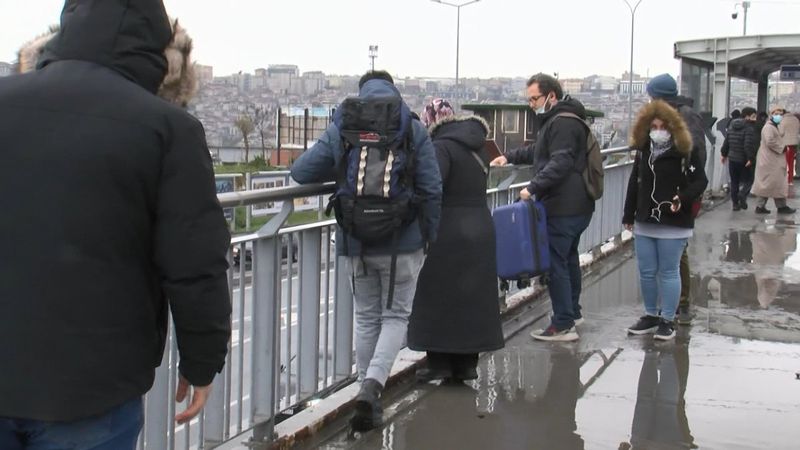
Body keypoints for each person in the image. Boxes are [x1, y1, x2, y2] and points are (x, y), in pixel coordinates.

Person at [0, 1, 232, 449]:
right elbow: (194, 261)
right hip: (92, 386)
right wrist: (202, 360)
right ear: (158, 47)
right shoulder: (168, 128)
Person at [290, 70, 442, 431]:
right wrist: (428, 237)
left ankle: (364, 391)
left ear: (361, 92)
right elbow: (432, 188)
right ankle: (372, 388)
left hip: (355, 241)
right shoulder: (411, 126)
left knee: (366, 317)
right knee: (395, 317)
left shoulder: (346, 123)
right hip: (402, 242)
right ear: (394, 90)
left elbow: (301, 171)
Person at [490, 74, 595, 342]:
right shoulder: (564, 119)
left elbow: (559, 161)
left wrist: (533, 187)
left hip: (565, 205)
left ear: (551, 96)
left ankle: (562, 324)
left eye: (534, 99)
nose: (532, 105)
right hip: (577, 204)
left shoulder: (561, 123)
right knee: (568, 258)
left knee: (557, 263)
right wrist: (509, 156)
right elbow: (541, 151)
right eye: (529, 100)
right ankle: (573, 313)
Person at [409, 99, 504, 383]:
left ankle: (439, 362)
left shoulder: (440, 147)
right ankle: (466, 364)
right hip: (479, 225)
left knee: (438, 294)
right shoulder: (477, 145)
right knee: (472, 296)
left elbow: (432, 185)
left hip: (448, 228)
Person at [623, 100, 708, 340]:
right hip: (645, 220)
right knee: (646, 271)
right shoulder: (644, 150)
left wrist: (682, 198)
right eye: (654, 126)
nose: (658, 130)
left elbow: (700, 181)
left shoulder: (685, 151)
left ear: (673, 128)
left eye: (663, 126)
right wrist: (628, 214)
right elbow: (634, 182)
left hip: (673, 221)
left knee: (669, 272)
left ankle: (668, 319)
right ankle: (650, 315)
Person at [645, 73, 708, 326]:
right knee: (673, 252)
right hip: (664, 193)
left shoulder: (684, 117)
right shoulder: (671, 116)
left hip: (680, 194)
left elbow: (694, 156)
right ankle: (674, 301)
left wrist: (687, 192)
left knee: (678, 250)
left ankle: (680, 303)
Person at [752, 106, 797, 215]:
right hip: (770, 160)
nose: (779, 116)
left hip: (771, 160)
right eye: (776, 113)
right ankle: (779, 206)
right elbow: (770, 141)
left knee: (771, 184)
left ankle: (765, 206)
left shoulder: (773, 126)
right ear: (771, 114)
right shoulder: (769, 127)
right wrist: (782, 148)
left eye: (781, 114)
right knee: (773, 183)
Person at [721, 107, 759, 211]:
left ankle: (735, 205)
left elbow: (726, 142)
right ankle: (742, 194)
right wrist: (750, 158)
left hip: (732, 159)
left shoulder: (731, 126)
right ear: (746, 116)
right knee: (750, 180)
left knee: (734, 181)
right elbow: (747, 145)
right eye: (753, 116)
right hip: (743, 160)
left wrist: (723, 154)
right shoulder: (748, 128)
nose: (754, 119)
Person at [779, 108, 800, 185]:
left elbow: (781, 133)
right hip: (794, 143)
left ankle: (785, 179)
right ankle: (790, 180)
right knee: (791, 162)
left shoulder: (783, 120)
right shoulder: (796, 119)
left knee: (785, 162)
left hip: (786, 143)